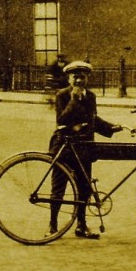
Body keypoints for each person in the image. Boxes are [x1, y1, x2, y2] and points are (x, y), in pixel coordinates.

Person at [48, 61, 122, 239]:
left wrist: (113, 128)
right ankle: (52, 225)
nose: (79, 80)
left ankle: (81, 225)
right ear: (69, 78)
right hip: (64, 146)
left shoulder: (91, 96)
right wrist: (74, 99)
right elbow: (62, 120)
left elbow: (93, 119)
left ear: (87, 78)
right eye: (76, 77)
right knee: (59, 188)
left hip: (83, 147)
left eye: (83, 77)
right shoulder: (62, 95)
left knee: (84, 187)